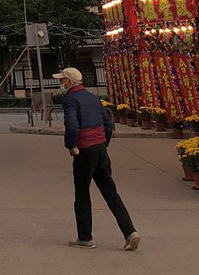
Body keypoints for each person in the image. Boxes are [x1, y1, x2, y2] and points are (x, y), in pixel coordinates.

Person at [57, 67, 140, 251]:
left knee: (82, 194)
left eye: (62, 80)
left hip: (84, 151)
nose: (61, 83)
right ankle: (130, 232)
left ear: (70, 82)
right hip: (100, 149)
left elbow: (72, 125)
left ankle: (85, 238)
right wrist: (103, 143)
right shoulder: (92, 97)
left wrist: (71, 145)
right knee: (111, 192)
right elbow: (108, 123)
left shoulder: (70, 100)